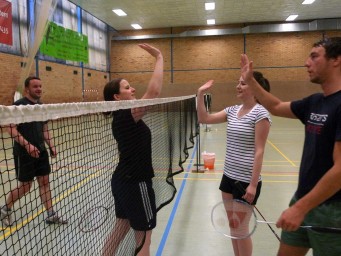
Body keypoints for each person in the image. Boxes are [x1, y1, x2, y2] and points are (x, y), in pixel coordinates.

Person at [240, 37, 341, 256]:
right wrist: (250, 80)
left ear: (336, 60)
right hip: (303, 198)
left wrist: (299, 208)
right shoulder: (315, 101)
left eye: (314, 56)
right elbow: (276, 106)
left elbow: (340, 169)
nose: (307, 62)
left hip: (332, 209)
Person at [197, 72, 271, 256]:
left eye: (243, 84)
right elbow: (204, 119)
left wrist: (253, 184)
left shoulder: (260, 113)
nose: (238, 86)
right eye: (238, 83)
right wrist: (199, 94)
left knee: (241, 228)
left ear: (254, 88)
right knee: (233, 226)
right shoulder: (232, 110)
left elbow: (259, 150)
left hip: (245, 181)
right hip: (228, 177)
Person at [101, 43, 163, 256]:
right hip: (136, 183)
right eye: (127, 88)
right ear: (117, 97)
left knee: (119, 230)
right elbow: (154, 92)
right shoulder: (126, 115)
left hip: (121, 181)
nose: (133, 89)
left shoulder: (122, 116)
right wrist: (159, 57)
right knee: (144, 237)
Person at [0, 76, 67, 226]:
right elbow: (10, 129)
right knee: (25, 186)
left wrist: (51, 146)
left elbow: (44, 128)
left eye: (40, 86)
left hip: (41, 151)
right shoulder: (18, 106)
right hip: (24, 153)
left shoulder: (41, 106)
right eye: (35, 86)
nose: (39, 89)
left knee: (44, 182)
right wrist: (28, 145)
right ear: (27, 89)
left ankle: (51, 214)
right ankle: (5, 209)